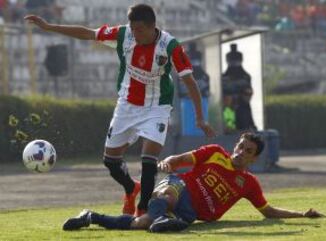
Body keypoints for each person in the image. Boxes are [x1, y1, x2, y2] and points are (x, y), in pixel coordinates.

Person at [24, 4, 215, 217]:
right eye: (132, 28)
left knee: (149, 159)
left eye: (139, 30)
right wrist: (49, 27)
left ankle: (143, 211)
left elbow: (189, 81)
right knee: (111, 161)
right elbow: (88, 33)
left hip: (157, 107)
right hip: (127, 105)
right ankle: (130, 188)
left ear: (153, 27)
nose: (135, 34)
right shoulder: (124, 35)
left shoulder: (170, 46)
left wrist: (200, 118)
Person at [62, 132, 325, 233]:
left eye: (247, 151)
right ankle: (164, 220)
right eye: (240, 146)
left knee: (140, 224)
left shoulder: (249, 183)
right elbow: (180, 159)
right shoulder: (214, 152)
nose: (240, 152)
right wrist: (168, 163)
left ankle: (91, 217)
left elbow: (268, 211)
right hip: (179, 186)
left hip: (192, 213)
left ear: (254, 159)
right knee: (167, 193)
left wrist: (301, 214)